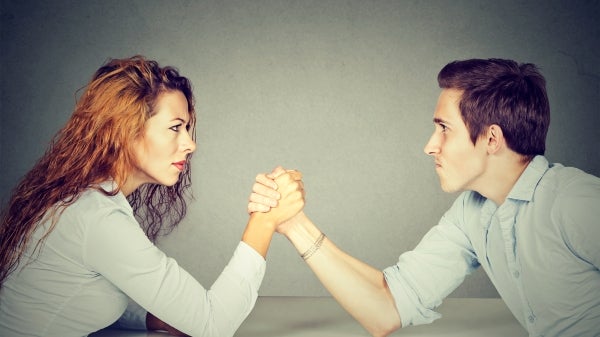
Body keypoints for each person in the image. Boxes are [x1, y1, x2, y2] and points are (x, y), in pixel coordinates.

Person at [250, 58, 600, 337]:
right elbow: (386, 310)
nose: (430, 146)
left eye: (444, 128)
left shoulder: (575, 202)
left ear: (492, 139)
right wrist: (294, 223)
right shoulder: (472, 212)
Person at [0, 55, 305, 337]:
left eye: (187, 128)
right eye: (175, 128)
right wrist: (264, 221)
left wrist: (154, 318)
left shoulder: (84, 201)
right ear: (124, 130)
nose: (190, 144)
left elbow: (78, 293)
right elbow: (213, 324)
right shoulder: (96, 218)